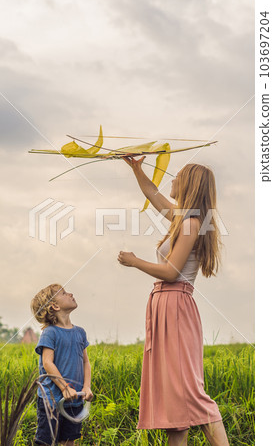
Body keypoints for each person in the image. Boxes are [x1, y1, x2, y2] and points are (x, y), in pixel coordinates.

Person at [118, 157, 229, 446]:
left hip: (176, 306)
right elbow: (153, 195)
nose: (172, 179)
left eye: (177, 176)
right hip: (166, 306)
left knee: (191, 393)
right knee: (173, 401)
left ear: (189, 184)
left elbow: (171, 272)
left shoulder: (191, 223)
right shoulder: (184, 219)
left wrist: (135, 261)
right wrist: (137, 169)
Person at [31, 284, 93, 446]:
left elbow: (86, 361)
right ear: (55, 306)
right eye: (64, 293)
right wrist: (65, 387)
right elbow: (47, 362)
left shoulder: (80, 332)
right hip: (52, 401)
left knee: (69, 441)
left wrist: (86, 387)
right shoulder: (50, 333)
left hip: (75, 400)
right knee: (47, 441)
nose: (70, 293)